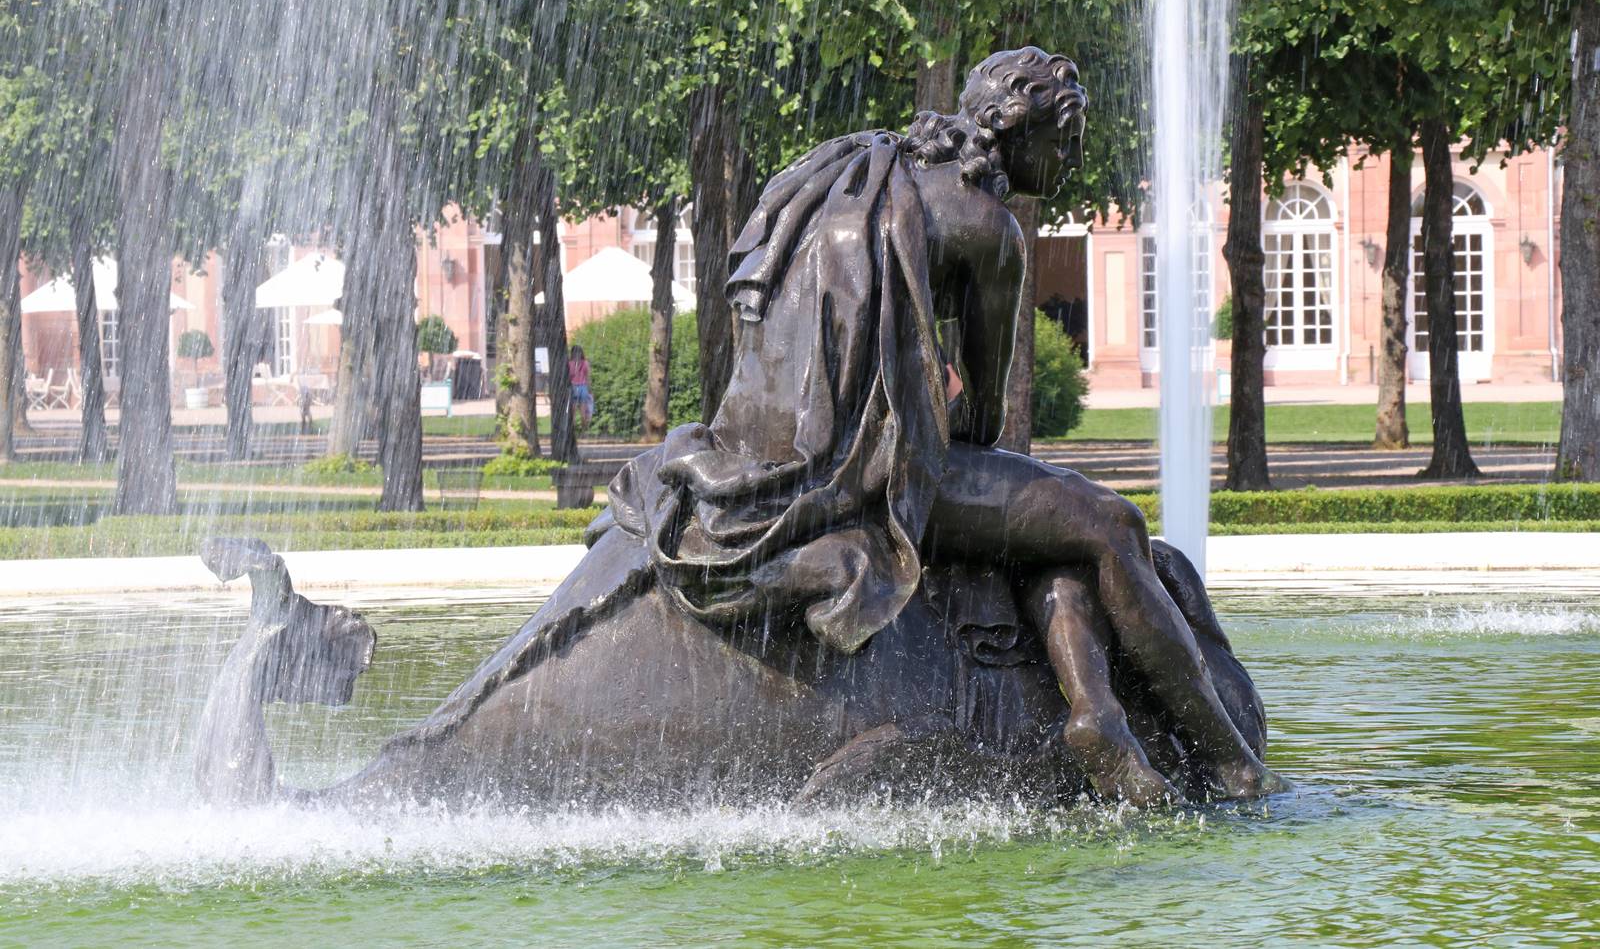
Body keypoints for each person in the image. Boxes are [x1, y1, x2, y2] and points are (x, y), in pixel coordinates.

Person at [417, 47, 1276, 804]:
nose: (1074, 157)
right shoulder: (990, 229)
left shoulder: (855, 168)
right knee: (1109, 523)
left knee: (1064, 521)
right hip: (879, 481)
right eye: (1068, 137)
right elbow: (982, 422)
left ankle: (1098, 719)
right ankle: (1231, 764)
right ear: (1018, 127)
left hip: (761, 456)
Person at [567, 346, 593, 432]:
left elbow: (569, 377)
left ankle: (573, 432)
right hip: (583, 387)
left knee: (573, 412)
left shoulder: (570, 363)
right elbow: (588, 377)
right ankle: (584, 430)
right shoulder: (585, 363)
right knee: (582, 411)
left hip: (574, 387)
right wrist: (590, 389)